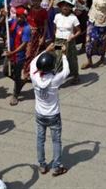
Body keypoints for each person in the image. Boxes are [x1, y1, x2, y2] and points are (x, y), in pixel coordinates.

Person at [30, 47, 70, 177]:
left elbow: (32, 63)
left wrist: (45, 50)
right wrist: (63, 55)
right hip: (53, 115)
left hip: (40, 114)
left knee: (40, 139)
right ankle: (57, 167)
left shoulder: (34, 76)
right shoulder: (55, 80)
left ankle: (42, 165)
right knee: (56, 141)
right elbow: (66, 70)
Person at [51, 0, 81, 83]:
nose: (65, 7)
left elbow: (79, 31)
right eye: (63, 5)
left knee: (72, 59)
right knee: (58, 58)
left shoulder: (73, 18)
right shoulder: (57, 16)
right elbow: (54, 28)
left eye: (67, 6)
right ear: (60, 7)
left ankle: (75, 76)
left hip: (69, 41)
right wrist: (55, 38)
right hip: (58, 40)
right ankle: (58, 77)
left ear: (70, 7)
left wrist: (73, 37)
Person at [6, 7, 30, 106]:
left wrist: (13, 52)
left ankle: (15, 95)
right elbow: (6, 24)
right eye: (18, 16)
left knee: (16, 74)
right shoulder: (13, 21)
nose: (20, 18)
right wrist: (3, 15)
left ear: (25, 17)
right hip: (9, 53)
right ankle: (20, 82)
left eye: (22, 17)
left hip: (18, 55)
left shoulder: (27, 28)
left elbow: (24, 44)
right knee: (5, 72)